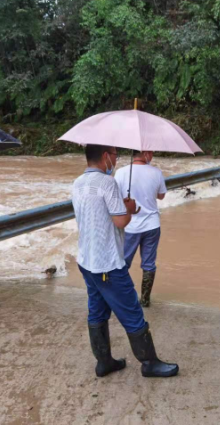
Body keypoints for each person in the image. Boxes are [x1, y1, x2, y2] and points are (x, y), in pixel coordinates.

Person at [72, 144, 178, 378]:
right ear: (105, 157)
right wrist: (128, 209)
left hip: (86, 260)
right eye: (115, 155)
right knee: (131, 309)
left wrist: (122, 207)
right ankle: (149, 362)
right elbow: (121, 222)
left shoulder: (78, 182)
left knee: (97, 311)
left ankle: (104, 361)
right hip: (107, 263)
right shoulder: (107, 183)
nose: (117, 160)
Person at [114, 151, 166, 307]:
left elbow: (115, 196)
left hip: (130, 226)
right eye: (151, 152)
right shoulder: (156, 172)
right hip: (152, 225)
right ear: (145, 153)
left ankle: (124, 297)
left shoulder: (122, 172)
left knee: (123, 263)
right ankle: (145, 299)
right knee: (149, 263)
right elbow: (161, 195)